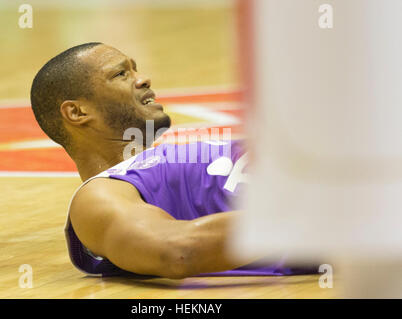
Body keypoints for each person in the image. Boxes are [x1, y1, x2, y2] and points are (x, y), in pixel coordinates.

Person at [30, 42, 318, 279]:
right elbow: (178, 251)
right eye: (120, 74)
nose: (143, 79)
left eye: (135, 70)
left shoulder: (175, 157)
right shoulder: (101, 196)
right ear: (77, 113)